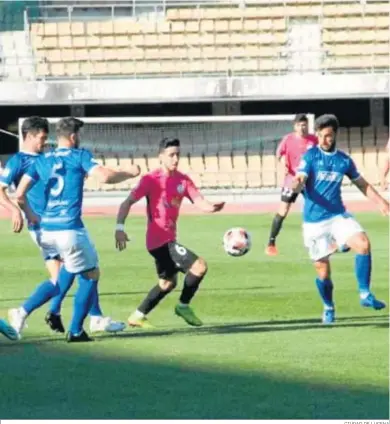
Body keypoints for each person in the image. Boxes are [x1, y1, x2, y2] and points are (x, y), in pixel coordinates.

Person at [9, 117, 140, 342]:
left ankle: (35, 311)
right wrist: (129, 173)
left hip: (46, 230)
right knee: (91, 274)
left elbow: (19, 194)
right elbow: (105, 177)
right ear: (73, 137)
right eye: (78, 135)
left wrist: (29, 214)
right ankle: (77, 329)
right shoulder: (80, 156)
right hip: (68, 228)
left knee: (65, 273)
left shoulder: (43, 159)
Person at [115, 137, 225, 328]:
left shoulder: (183, 180)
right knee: (199, 266)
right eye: (171, 155)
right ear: (160, 157)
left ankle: (137, 315)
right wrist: (119, 228)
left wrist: (211, 207)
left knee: (167, 283)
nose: (175, 159)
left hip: (167, 240)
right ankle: (183, 306)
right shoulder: (150, 180)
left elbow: (199, 201)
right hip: (159, 240)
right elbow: (127, 202)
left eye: (178, 155)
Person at [293, 114, 388, 324]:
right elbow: (301, 177)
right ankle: (328, 306)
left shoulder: (343, 160)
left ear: (335, 135)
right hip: (314, 222)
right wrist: (297, 184)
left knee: (363, 244)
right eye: (322, 135)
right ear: (317, 134)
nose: (325, 139)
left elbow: (362, 184)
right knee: (323, 272)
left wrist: (382, 202)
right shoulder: (310, 157)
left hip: (338, 216)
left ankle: (364, 294)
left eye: (329, 136)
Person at [265, 114, 318, 256]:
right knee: (283, 210)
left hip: (309, 180)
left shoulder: (314, 140)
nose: (303, 127)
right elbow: (279, 155)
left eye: (305, 124)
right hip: (292, 180)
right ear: (295, 126)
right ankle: (271, 243)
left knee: (317, 208)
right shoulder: (288, 139)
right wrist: (284, 162)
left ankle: (321, 240)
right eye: (300, 124)